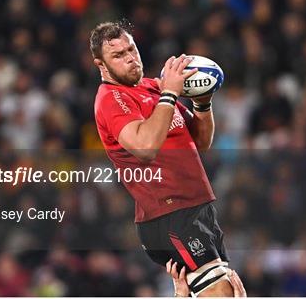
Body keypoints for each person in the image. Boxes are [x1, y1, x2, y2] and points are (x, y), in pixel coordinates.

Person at [91, 21, 234, 296]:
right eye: (118, 56)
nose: (131, 59)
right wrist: (170, 92)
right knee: (221, 293)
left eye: (131, 49)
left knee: (231, 292)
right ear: (101, 65)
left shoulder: (153, 88)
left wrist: (202, 103)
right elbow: (144, 147)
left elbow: (200, 143)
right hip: (168, 214)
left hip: (198, 208)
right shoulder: (111, 98)